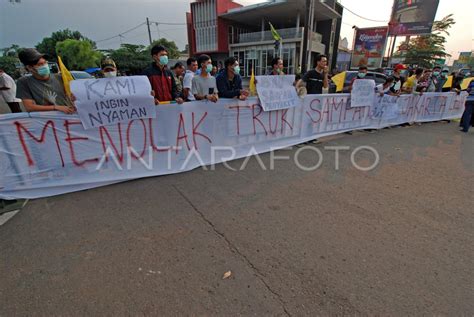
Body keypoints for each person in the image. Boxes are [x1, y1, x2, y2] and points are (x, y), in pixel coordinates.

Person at [16, 48, 75, 113]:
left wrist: (74, 98)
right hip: (46, 120)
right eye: (40, 64)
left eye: (45, 63)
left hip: (67, 117)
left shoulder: (60, 77)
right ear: (29, 67)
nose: (44, 66)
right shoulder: (24, 82)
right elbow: (29, 107)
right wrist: (56, 107)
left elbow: (75, 96)